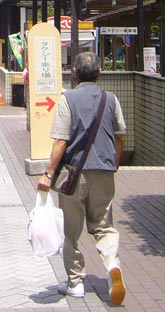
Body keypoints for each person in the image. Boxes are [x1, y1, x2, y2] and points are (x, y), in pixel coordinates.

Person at [37, 52, 126, 304]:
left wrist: (48, 173)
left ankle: (75, 282)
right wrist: (114, 163)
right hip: (104, 172)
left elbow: (61, 140)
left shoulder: (68, 99)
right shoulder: (111, 99)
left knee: (71, 231)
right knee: (104, 225)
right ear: (100, 72)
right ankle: (112, 266)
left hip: (73, 175)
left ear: (74, 72)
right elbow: (120, 135)